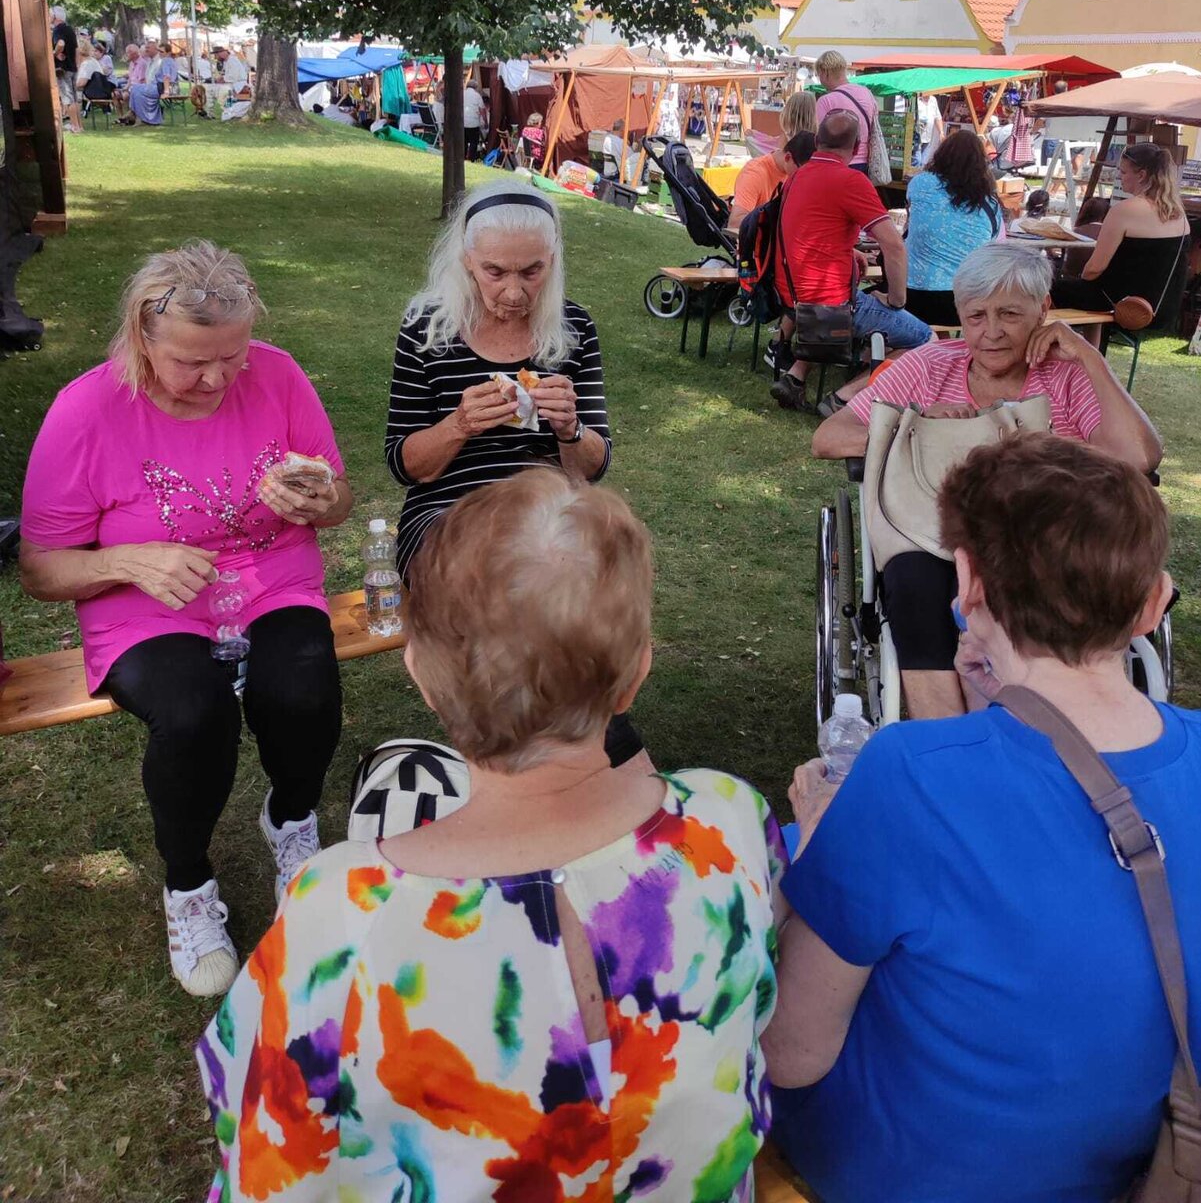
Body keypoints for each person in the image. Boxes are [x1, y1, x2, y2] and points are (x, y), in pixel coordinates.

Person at [197, 468, 788, 1203]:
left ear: (419, 672)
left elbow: (269, 1161)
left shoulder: (343, 910)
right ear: (637, 673)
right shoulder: (730, 820)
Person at [765, 434, 1197, 1203]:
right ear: (1150, 602)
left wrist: (819, 840)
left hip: (895, 1174)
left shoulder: (909, 775)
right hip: (1120, 1167)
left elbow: (789, 1055)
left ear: (965, 581)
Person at [19, 242, 354, 996]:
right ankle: (189, 886)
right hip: (146, 602)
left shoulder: (278, 374)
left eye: (233, 357)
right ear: (142, 339)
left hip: (269, 578)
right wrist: (126, 561)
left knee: (302, 689)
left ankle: (292, 822)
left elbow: (338, 499)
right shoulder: (87, 410)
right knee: (193, 714)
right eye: (193, 363)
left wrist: (320, 499)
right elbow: (41, 568)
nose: (218, 379)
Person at [812, 241, 1162, 719]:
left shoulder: (1066, 375)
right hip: (930, 535)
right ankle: (945, 733)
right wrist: (915, 423)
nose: (991, 332)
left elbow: (1138, 457)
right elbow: (829, 438)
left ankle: (1035, 724)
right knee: (913, 584)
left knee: (1043, 584)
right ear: (959, 314)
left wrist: (1089, 356)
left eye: (1010, 314)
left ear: (1043, 310)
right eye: (976, 316)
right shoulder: (928, 367)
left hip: (1044, 538)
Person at [386, 177, 611, 581]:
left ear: (552, 260)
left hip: (547, 512)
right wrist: (459, 425)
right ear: (467, 259)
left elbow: (592, 469)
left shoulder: (574, 327)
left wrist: (570, 429)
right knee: (486, 575)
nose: (513, 293)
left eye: (532, 271)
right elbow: (404, 466)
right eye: (495, 271)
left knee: (583, 569)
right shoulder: (426, 328)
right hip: (446, 510)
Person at [770, 110, 931, 412]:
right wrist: (896, 300)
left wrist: (848, 250)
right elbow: (894, 246)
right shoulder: (850, 181)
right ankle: (846, 396)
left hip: (792, 296)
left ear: (816, 142)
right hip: (831, 304)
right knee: (925, 339)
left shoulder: (798, 175)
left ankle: (795, 377)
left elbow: (807, 230)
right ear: (858, 147)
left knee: (839, 306)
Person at [1052, 142, 1190, 328]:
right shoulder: (1179, 214)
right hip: (1163, 308)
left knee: (1044, 288)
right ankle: (1092, 342)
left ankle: (1048, 340)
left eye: (1123, 172)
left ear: (1141, 175)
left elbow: (1094, 269)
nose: (1119, 176)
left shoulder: (1123, 210)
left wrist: (1078, 279)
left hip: (1122, 305)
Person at [904, 127, 1005, 326]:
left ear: (941, 155)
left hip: (913, 298)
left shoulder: (921, 183)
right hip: (966, 304)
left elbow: (912, 217)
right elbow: (995, 249)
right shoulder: (990, 205)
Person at [728, 92, 816, 230]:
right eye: (801, 169)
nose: (803, 175)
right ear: (788, 158)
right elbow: (735, 223)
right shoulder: (756, 172)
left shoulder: (800, 171)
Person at [814, 49, 876, 174]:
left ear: (825, 73)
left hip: (836, 163)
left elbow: (821, 138)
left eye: (819, 75)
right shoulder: (867, 93)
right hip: (865, 162)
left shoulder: (826, 101)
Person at [50, 4, 83, 134]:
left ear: (55, 17)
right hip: (72, 67)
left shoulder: (58, 30)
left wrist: (53, 53)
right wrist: (76, 65)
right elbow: (77, 49)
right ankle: (79, 125)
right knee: (74, 98)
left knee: (67, 99)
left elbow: (60, 43)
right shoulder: (70, 30)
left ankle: (75, 126)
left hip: (62, 69)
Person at [130, 42, 164, 125]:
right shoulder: (149, 62)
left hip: (159, 87)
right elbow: (147, 78)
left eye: (148, 48)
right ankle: (138, 116)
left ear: (155, 49)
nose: (146, 50)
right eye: (146, 48)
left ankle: (138, 116)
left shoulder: (160, 62)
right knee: (135, 89)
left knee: (136, 89)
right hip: (150, 87)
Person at [75, 42, 117, 110]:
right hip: (101, 90)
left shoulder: (87, 64)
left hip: (95, 92)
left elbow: (81, 83)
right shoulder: (92, 61)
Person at [463, 79, 488, 162]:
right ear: (475, 87)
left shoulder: (462, 94)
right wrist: (486, 122)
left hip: (463, 122)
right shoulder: (477, 96)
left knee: (464, 142)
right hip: (473, 123)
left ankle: (463, 157)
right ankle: (471, 159)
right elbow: (482, 110)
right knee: (473, 142)